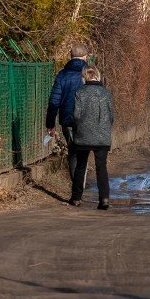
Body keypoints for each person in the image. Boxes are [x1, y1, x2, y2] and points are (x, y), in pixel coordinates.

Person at [69, 65, 114, 210]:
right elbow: (111, 116)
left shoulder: (80, 93)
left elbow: (76, 115)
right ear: (98, 76)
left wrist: (79, 128)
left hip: (83, 135)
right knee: (101, 167)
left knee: (80, 166)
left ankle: (76, 198)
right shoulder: (106, 93)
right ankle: (104, 199)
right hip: (102, 136)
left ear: (84, 77)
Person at [46, 44, 88, 180]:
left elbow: (54, 101)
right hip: (85, 119)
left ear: (70, 57)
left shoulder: (62, 75)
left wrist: (50, 124)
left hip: (67, 118)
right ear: (85, 57)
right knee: (83, 151)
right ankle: (80, 185)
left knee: (73, 151)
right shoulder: (89, 74)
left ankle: (76, 187)